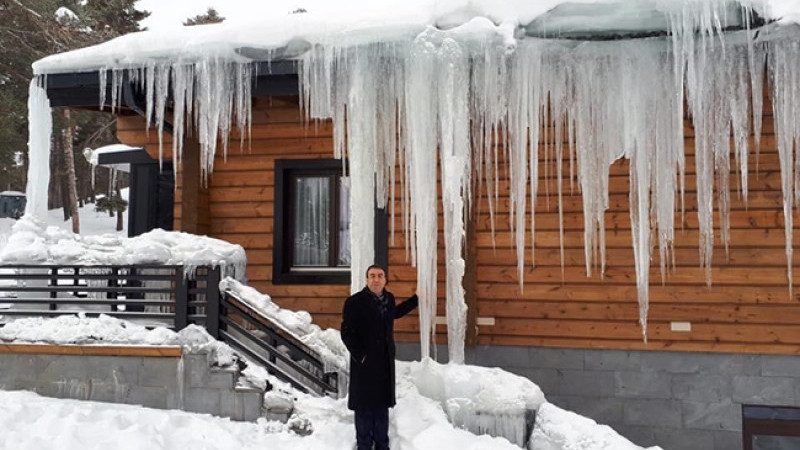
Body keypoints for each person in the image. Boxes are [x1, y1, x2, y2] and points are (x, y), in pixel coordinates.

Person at [341, 264, 418, 450]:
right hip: (365, 364)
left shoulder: (388, 299)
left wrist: (416, 300)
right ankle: (364, 445)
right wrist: (361, 355)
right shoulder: (354, 302)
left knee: (381, 407)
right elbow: (346, 333)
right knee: (365, 408)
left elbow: (395, 314)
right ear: (367, 279)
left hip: (384, 363)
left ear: (385, 280)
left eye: (380, 276)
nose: (376, 279)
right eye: (372, 276)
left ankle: (382, 445)